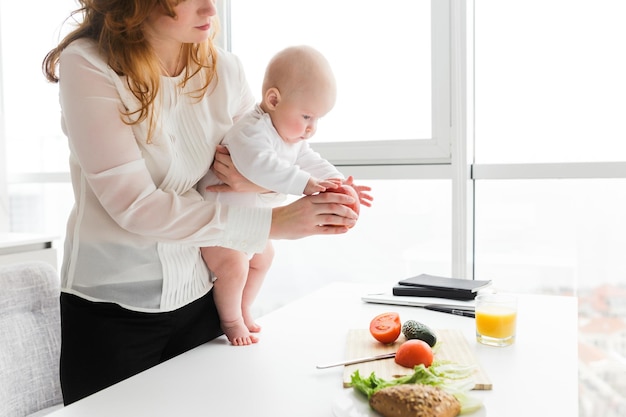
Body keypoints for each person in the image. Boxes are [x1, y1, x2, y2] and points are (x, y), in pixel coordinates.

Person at [42, 0, 370, 405]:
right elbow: (134, 206)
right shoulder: (89, 64)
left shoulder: (224, 69)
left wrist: (325, 189)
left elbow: (257, 162)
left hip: (203, 296)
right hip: (115, 310)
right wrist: (274, 221)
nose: (211, 7)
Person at [199, 45, 369, 346]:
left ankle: (244, 308)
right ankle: (231, 320)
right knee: (235, 266)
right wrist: (304, 183)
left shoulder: (288, 136)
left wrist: (340, 183)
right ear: (273, 99)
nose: (311, 128)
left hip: (245, 223)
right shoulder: (251, 131)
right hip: (218, 227)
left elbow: (311, 160)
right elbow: (259, 166)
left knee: (265, 257)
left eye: (317, 120)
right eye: (306, 116)